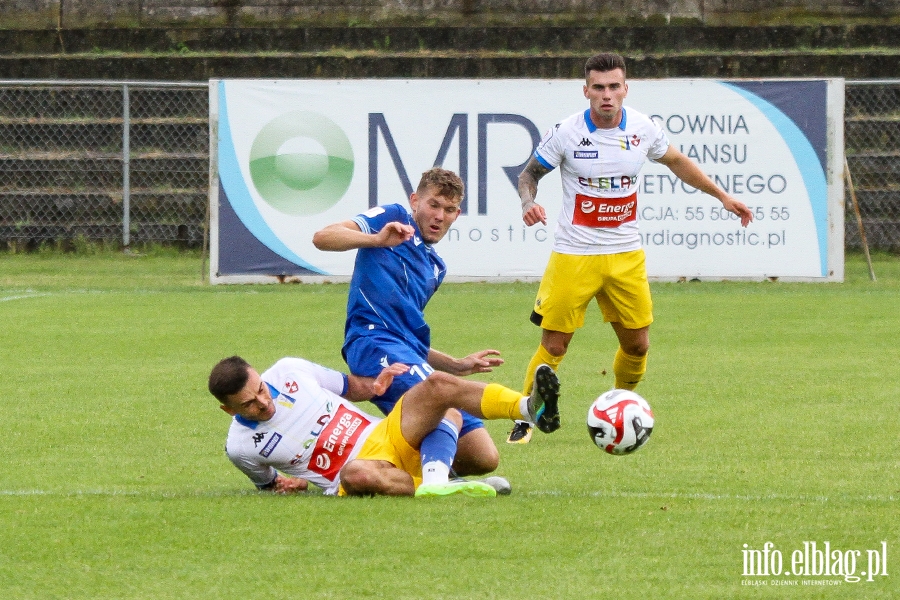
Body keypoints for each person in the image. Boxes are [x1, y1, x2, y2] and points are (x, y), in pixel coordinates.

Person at [507, 52, 754, 444]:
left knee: (637, 345)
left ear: (626, 88)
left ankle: (622, 407)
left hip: (626, 255)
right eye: (599, 88)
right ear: (586, 90)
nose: (607, 95)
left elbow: (677, 161)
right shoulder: (567, 132)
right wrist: (527, 202)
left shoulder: (643, 128)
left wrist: (722, 196)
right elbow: (528, 174)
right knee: (554, 345)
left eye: (614, 87)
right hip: (574, 254)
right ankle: (525, 418)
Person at [313, 167, 546, 485]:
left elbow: (408, 338)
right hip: (371, 344)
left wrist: (456, 364)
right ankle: (524, 408)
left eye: (449, 210)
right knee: (441, 396)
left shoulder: (435, 268)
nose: (439, 215)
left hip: (402, 353)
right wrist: (376, 240)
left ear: (457, 214)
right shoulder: (393, 218)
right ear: (414, 201)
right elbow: (322, 237)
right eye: (433, 205)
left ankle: (399, 476)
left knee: (481, 455)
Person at [207, 355, 560, 497]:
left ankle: (528, 408)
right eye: (249, 404)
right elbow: (268, 485)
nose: (263, 401)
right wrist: (289, 483)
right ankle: (444, 483)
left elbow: (348, 385)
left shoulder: (288, 370)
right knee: (355, 475)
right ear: (228, 410)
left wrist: (375, 387)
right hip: (363, 469)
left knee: (440, 391)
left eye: (261, 389)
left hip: (386, 435)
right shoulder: (240, 447)